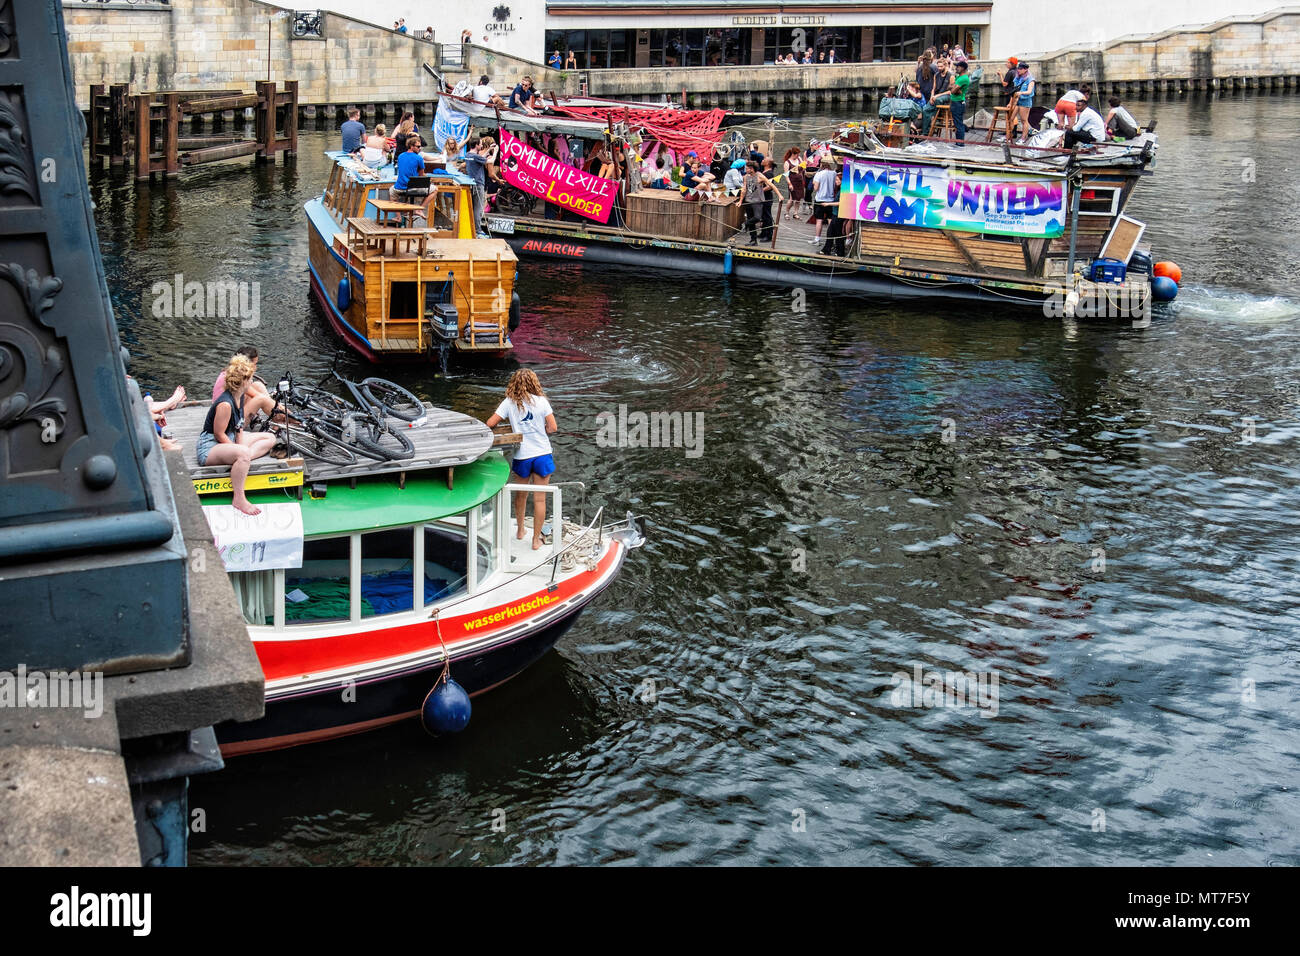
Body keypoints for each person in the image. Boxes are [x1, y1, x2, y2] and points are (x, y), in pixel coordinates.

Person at [485, 370, 557, 551]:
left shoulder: (509, 402)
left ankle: (520, 530)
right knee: (540, 500)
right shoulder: (541, 402)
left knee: (520, 495)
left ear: (514, 383)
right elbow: (553, 427)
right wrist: (544, 429)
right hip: (542, 454)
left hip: (522, 456)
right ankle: (535, 541)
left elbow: (490, 423)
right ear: (534, 382)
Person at [197, 356, 278, 516]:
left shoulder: (239, 396)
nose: (252, 381)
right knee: (243, 453)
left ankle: (240, 462)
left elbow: (239, 426)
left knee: (270, 438)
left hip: (230, 438)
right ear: (242, 381)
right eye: (249, 378)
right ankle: (239, 498)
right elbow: (219, 434)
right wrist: (239, 449)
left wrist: (239, 446)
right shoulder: (225, 404)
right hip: (210, 446)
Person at [212, 345, 276, 421]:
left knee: (258, 385)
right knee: (261, 399)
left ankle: (281, 418)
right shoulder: (237, 378)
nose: (256, 367)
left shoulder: (229, 372)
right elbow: (261, 397)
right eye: (254, 364)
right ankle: (284, 418)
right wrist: (279, 407)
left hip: (228, 411)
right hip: (229, 421)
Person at [932, 60, 970, 142]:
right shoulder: (958, 77)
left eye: (958, 67)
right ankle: (958, 142)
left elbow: (952, 91)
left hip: (958, 102)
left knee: (958, 124)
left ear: (963, 68)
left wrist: (954, 88)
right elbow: (949, 87)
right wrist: (954, 87)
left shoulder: (963, 78)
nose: (956, 68)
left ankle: (960, 142)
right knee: (956, 123)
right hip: (955, 101)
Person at [738, 161, 773, 245]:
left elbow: (771, 185)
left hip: (758, 201)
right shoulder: (746, 177)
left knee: (757, 217)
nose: (745, 170)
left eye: (746, 168)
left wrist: (779, 195)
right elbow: (744, 190)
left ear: (752, 169)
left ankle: (746, 224)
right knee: (751, 220)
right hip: (748, 200)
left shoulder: (759, 175)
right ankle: (753, 240)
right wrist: (740, 201)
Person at [810, 155, 838, 244]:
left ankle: (817, 239)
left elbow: (816, 188)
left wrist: (814, 183)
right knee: (830, 220)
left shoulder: (819, 174)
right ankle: (831, 239)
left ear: (821, 164)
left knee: (819, 220)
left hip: (820, 200)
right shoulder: (834, 173)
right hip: (830, 200)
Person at [1009, 61, 1035, 143]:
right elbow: (1014, 90)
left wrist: (1021, 93)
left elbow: (1029, 91)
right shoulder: (1018, 78)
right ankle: (1009, 136)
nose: (1018, 71)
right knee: (1011, 118)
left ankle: (1023, 138)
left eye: (1020, 69)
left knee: (1024, 120)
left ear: (1025, 69)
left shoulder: (1031, 80)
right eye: (1018, 69)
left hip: (1025, 101)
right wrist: (1011, 102)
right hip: (1017, 101)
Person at [392, 135, 425, 200]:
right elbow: (421, 176)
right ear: (411, 146)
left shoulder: (400, 156)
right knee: (434, 189)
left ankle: (396, 209)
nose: (419, 148)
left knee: (391, 191)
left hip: (399, 188)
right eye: (418, 147)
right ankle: (421, 208)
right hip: (411, 189)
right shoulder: (419, 158)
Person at [782, 147, 805, 219]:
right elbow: (786, 175)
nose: (798, 156)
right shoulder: (787, 162)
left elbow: (803, 168)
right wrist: (789, 184)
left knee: (798, 199)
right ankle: (787, 212)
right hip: (792, 182)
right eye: (797, 155)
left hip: (800, 181)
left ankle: (795, 213)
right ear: (793, 154)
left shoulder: (799, 159)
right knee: (791, 199)